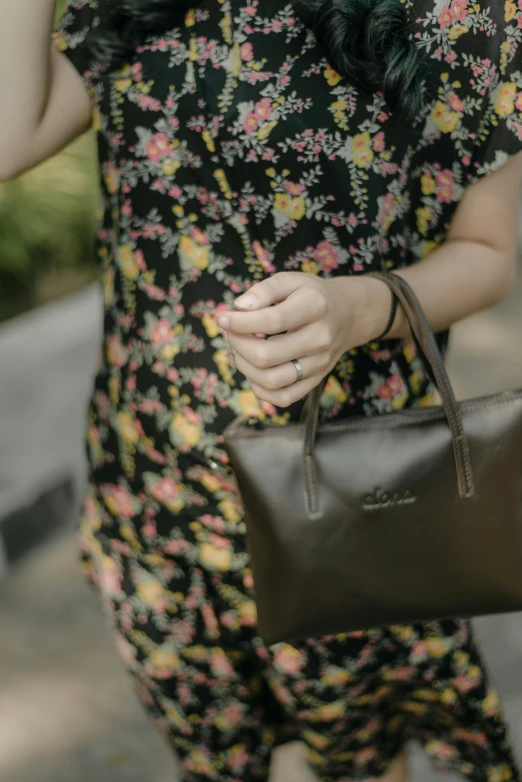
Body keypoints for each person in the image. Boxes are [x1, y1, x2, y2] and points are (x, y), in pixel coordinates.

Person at [1, 0, 521, 780]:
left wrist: (356, 307)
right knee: (213, 759)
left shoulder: (462, 13)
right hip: (154, 479)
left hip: (344, 484)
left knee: (363, 760)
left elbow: (486, 252)